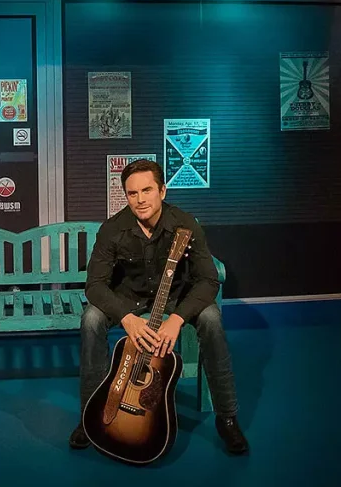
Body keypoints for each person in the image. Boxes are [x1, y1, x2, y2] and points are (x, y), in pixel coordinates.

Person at [69, 159, 248, 455]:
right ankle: (91, 415)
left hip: (177, 298)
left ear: (162, 190)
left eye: (147, 190)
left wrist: (177, 319)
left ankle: (226, 417)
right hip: (128, 299)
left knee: (212, 320)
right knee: (90, 320)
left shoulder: (185, 224)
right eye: (132, 193)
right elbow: (95, 285)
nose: (140, 199)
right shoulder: (112, 230)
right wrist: (126, 318)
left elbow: (208, 280)